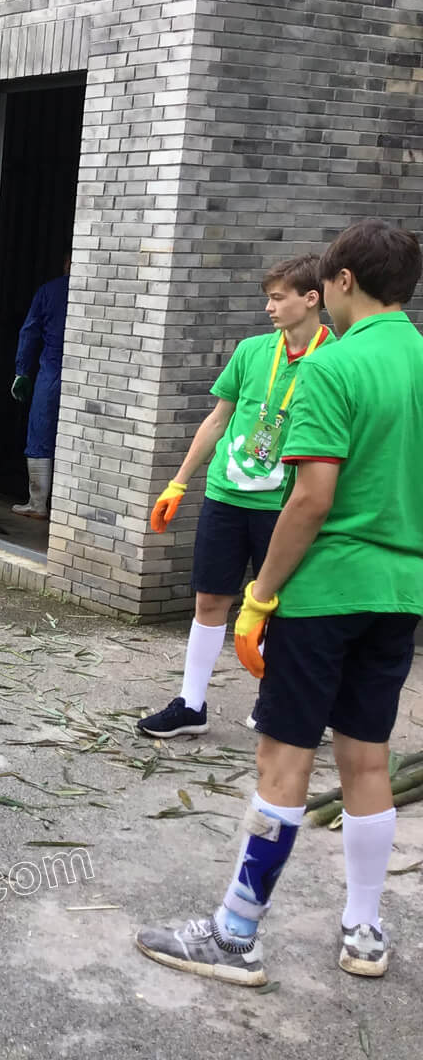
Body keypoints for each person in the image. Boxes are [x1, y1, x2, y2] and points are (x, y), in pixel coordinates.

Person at [136, 220, 423, 986]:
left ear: (343, 283)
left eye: (323, 284)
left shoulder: (336, 367)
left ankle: (235, 934)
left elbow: (311, 499)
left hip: (325, 590)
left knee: (282, 758)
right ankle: (364, 932)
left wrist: (261, 598)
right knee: (367, 758)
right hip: (399, 592)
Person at [138, 254, 331, 738]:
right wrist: (179, 482)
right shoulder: (250, 351)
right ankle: (192, 703)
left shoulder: (334, 360)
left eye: (277, 297)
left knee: (283, 609)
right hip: (226, 496)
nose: (268, 307)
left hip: (284, 506)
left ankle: (274, 704)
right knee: (210, 600)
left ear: (311, 299)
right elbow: (218, 419)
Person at [10, 255, 71, 518]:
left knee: (41, 434)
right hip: (82, 375)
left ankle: (37, 504)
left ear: (66, 263)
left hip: (52, 373)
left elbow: (30, 332)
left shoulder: (49, 291)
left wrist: (21, 372)